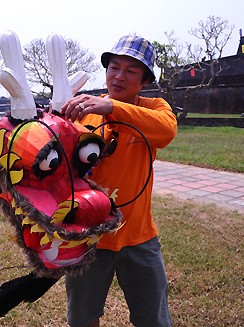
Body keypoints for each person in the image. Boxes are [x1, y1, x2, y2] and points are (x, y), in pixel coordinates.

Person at [61, 35, 177, 327]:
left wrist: (111, 108)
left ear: (145, 80)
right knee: (82, 319)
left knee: (154, 319)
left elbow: (166, 131)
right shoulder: (84, 113)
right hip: (88, 238)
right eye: (114, 67)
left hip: (139, 237)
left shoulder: (154, 109)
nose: (119, 76)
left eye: (130, 70)